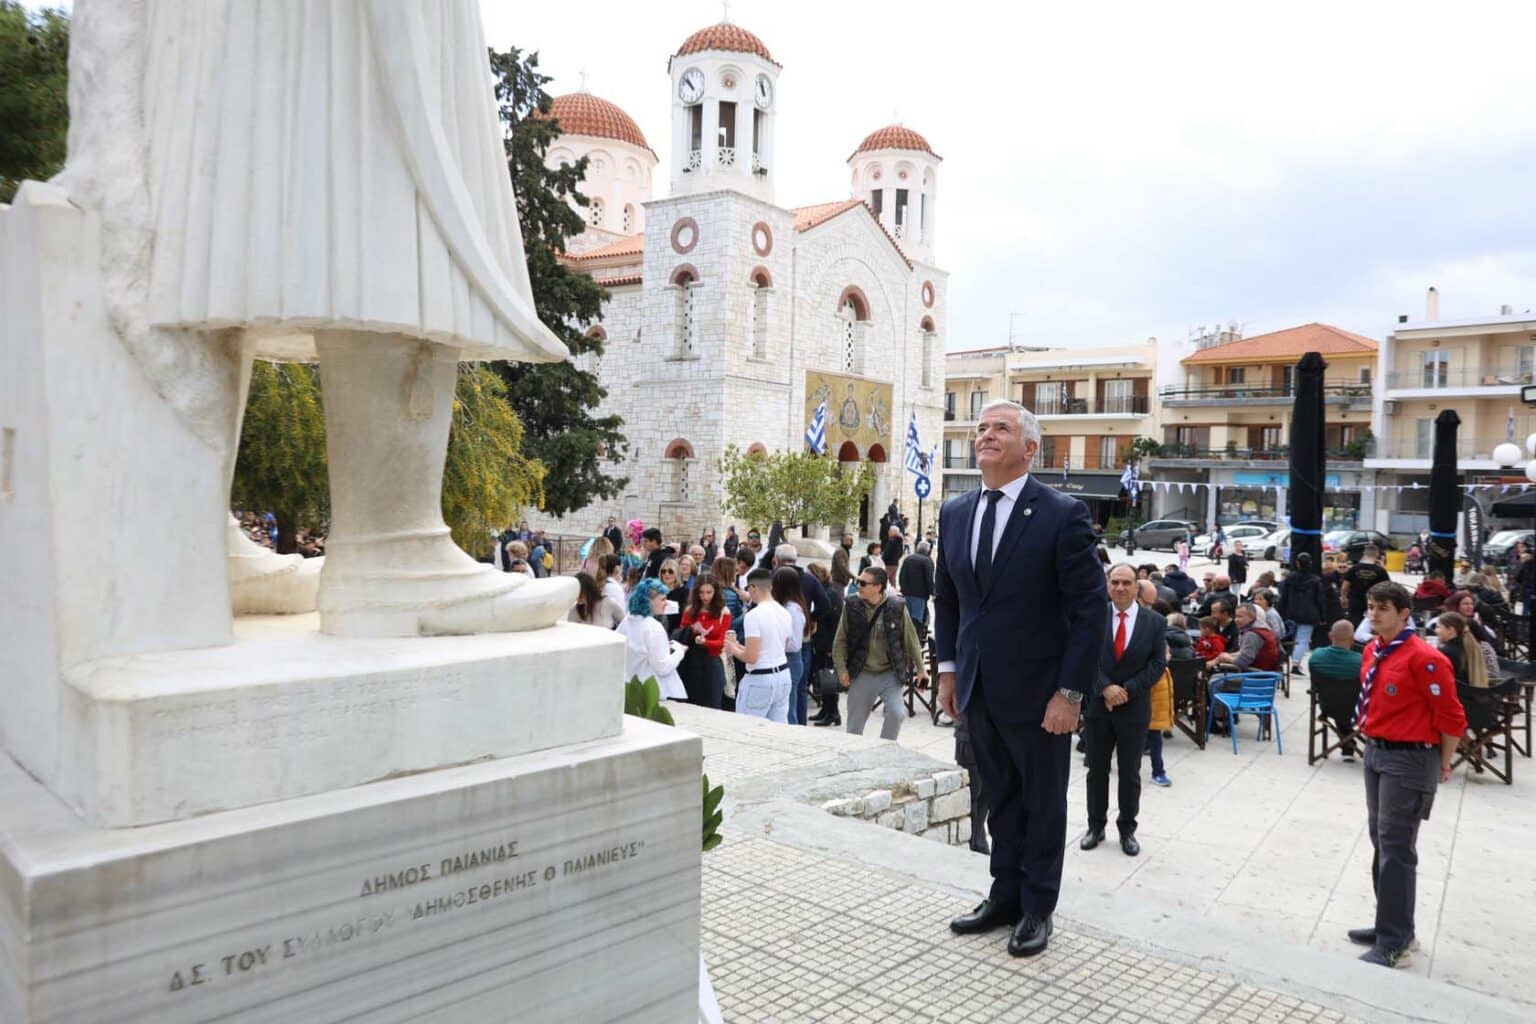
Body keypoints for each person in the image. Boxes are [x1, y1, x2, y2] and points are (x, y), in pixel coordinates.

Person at [935, 400, 1106, 959]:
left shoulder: (1061, 514)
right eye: (981, 428)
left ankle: (1037, 907)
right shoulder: (956, 512)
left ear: (1029, 448)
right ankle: (1003, 895)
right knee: (1000, 799)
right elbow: (951, 600)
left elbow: (1089, 610)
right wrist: (948, 670)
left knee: (1041, 802)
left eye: (1000, 428)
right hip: (979, 687)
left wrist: (1071, 692)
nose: (985, 435)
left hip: (1041, 696)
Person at [1348, 581, 1467, 969]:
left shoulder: (1425, 658)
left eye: (1382, 607)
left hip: (1410, 758)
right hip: (1377, 752)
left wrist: (1444, 763)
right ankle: (1392, 924)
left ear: (1404, 613)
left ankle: (1395, 942)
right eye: (1370, 606)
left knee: (1397, 848)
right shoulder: (1373, 649)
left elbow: (1451, 718)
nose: (1373, 613)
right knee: (1380, 842)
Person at [1082, 566, 1168, 857]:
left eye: (1127, 583)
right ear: (1107, 585)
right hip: (1097, 706)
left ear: (1136, 588)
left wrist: (1126, 691)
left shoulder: (1154, 622)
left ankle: (1127, 829)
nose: (1120, 588)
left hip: (1133, 709)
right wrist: (1105, 688)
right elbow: (1083, 657)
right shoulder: (1093, 617)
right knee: (1097, 771)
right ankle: (1095, 826)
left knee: (1130, 773)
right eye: (1115, 582)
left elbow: (1157, 665)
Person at [833, 566, 926, 741]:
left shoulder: (896, 606)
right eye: (857, 581)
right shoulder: (851, 605)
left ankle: (885, 749)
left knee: (897, 713)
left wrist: (921, 669)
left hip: (889, 673)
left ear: (878, 587)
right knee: (854, 728)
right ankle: (853, 759)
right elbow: (840, 641)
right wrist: (841, 670)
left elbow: (910, 638)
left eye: (862, 583)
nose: (858, 586)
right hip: (862, 673)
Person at [723, 568, 793, 722]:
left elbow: (752, 657)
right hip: (783, 675)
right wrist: (740, 647)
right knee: (777, 731)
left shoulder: (753, 615)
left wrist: (733, 649)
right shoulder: (785, 612)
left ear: (753, 587)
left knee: (748, 730)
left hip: (760, 679)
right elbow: (776, 647)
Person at [1206, 603, 1280, 733]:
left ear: (1251, 617)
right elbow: (1244, 653)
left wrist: (1224, 658)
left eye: (1240, 616)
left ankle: (1222, 722)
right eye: (1236, 616)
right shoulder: (1264, 631)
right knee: (1217, 677)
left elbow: (1242, 661)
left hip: (1256, 680)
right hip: (1267, 678)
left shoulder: (1252, 635)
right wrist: (1225, 656)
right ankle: (1226, 716)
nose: (1236, 619)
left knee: (1214, 682)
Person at [618, 578, 687, 700]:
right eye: (662, 599)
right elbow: (663, 667)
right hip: (652, 693)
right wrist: (680, 651)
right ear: (648, 601)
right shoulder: (653, 627)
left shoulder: (627, 620)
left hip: (629, 688)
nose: (666, 603)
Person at [1308, 620, 1365, 760]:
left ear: (1329, 636)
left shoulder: (1316, 657)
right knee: (1348, 700)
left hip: (1328, 707)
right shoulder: (1362, 662)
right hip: (1358, 709)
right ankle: (1355, 745)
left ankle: (1348, 746)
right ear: (1352, 639)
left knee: (1339, 700)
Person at [680, 577, 732, 709]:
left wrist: (706, 642)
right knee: (692, 704)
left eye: (709, 592)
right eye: (702, 592)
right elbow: (681, 635)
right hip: (692, 662)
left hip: (713, 661)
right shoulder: (690, 610)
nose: (705, 596)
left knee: (713, 704)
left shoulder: (723, 612)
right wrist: (692, 632)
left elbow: (722, 642)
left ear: (716, 592)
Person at [772, 565, 812, 726]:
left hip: (791, 660)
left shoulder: (793, 610)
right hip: (786, 660)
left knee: (788, 709)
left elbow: (795, 643)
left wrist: (776, 641)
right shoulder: (786, 606)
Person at [806, 562, 845, 726]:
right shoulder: (824, 592)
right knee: (822, 676)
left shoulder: (831, 594)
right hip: (822, 641)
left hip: (828, 643)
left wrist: (831, 647)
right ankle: (827, 710)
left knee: (828, 677)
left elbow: (835, 622)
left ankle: (832, 712)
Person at [1278, 553, 1324, 674]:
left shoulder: (1289, 578)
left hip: (1291, 611)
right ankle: (1296, 664)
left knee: (1288, 637)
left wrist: (1281, 611)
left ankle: (1284, 660)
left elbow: (1284, 597)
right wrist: (1322, 615)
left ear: (1297, 563)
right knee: (1303, 639)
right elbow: (1319, 599)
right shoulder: (1316, 580)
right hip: (1309, 613)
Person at [1432, 612, 1488, 689]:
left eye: (1438, 627)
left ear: (1451, 630)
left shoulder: (1445, 651)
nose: (1435, 631)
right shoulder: (1468, 645)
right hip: (1469, 695)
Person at [1341, 544, 1391, 626]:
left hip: (1355, 601)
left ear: (1364, 553)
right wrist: (1383, 567)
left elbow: (1345, 586)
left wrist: (1344, 598)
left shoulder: (1354, 569)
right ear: (1377, 554)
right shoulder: (1380, 571)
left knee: (1354, 624)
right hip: (1373, 603)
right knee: (1371, 626)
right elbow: (1387, 587)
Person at [898, 540, 937, 641]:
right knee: (917, 619)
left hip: (907, 593)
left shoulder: (908, 558)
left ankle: (905, 638)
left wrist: (903, 588)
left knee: (907, 617)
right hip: (919, 595)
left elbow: (901, 575)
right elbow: (929, 579)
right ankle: (915, 639)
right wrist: (933, 592)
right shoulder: (927, 561)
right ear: (928, 550)